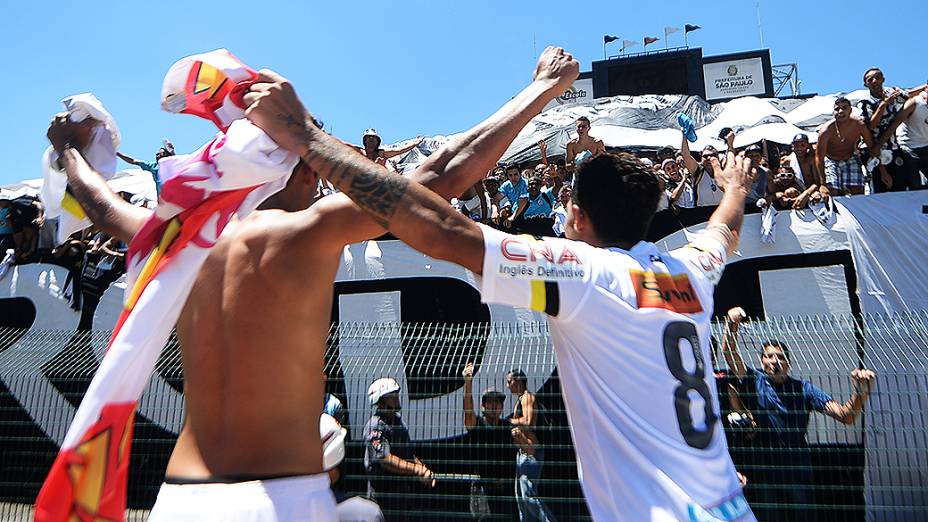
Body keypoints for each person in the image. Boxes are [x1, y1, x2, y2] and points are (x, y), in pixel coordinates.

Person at [48, 46, 578, 522]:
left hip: (178, 498)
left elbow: (104, 206)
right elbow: (446, 172)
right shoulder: (309, 231)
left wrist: (69, 150)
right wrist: (542, 89)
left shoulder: (183, 243)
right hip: (280, 498)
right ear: (301, 172)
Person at [244, 48, 760, 519]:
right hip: (731, 507)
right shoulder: (687, 271)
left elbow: (438, 220)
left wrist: (307, 137)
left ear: (576, 217)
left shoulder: (581, 273)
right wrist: (735, 187)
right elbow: (725, 230)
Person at [720, 307, 876, 522]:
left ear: (789, 363)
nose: (775, 361)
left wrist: (861, 392)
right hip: (764, 472)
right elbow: (729, 353)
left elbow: (846, 416)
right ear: (762, 362)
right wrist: (731, 325)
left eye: (781, 357)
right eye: (769, 356)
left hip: (797, 470)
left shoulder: (804, 389)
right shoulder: (753, 380)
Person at [363, 377, 435, 520]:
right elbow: (385, 458)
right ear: (381, 400)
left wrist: (423, 469)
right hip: (383, 499)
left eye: (396, 394)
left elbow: (408, 453)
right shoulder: (376, 426)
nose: (397, 398)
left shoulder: (397, 421)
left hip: (402, 496)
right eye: (392, 395)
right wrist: (416, 470)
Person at [857, 68, 926, 192]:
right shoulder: (864, 103)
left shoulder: (891, 92)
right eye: (870, 79)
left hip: (893, 147)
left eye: (878, 77)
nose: (875, 81)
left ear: (883, 79)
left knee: (899, 185)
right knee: (880, 187)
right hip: (873, 149)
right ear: (865, 84)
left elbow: (908, 94)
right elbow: (870, 126)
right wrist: (883, 104)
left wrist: (925, 86)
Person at [462, 362, 516, 519]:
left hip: (504, 488)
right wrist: (468, 383)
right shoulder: (477, 423)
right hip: (481, 487)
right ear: (483, 406)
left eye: (498, 402)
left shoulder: (507, 427)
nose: (494, 405)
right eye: (490, 402)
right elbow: (468, 410)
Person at [506, 369, 556, 522]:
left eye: (510, 381)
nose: (508, 386)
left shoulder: (527, 397)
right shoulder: (520, 399)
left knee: (528, 496)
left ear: (518, 381)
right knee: (521, 499)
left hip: (530, 452)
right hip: (523, 452)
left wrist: (508, 422)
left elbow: (528, 421)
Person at [816, 97, 880, 196]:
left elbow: (871, 146)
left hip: (850, 158)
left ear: (850, 110)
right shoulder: (826, 130)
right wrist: (823, 184)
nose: (840, 111)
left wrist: (882, 170)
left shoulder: (859, 125)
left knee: (858, 191)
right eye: (837, 109)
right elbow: (819, 157)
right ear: (833, 112)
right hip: (831, 159)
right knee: (831, 191)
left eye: (844, 108)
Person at [876, 89, 928, 189]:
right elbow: (894, 124)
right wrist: (879, 145)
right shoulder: (915, 103)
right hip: (909, 147)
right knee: (914, 185)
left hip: (926, 146)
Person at [359, 128, 423, 173]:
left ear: (377, 141)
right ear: (365, 140)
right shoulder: (359, 152)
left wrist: (415, 143)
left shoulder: (381, 153)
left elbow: (400, 150)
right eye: (369, 137)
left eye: (373, 138)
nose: (371, 139)